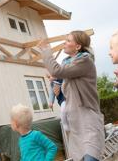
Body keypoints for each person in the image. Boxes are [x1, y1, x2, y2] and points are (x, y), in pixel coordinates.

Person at [38, 30, 105, 161]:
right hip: (75, 118)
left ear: (78, 46)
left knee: (91, 156)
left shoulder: (85, 61)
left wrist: (46, 51)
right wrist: (56, 80)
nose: (65, 43)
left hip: (87, 116)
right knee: (80, 157)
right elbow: (61, 74)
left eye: (68, 40)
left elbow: (57, 70)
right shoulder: (68, 62)